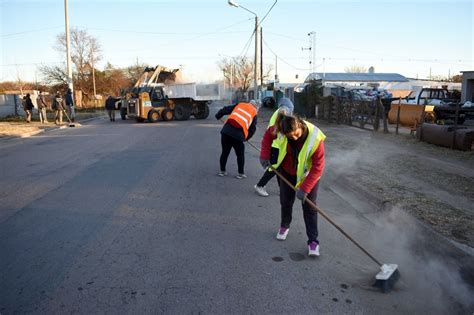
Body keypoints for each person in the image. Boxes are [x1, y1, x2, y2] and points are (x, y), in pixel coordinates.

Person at [260, 113, 326, 257]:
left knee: (310, 206)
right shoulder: (280, 129)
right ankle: (285, 226)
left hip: (307, 176)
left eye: (296, 134)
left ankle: (313, 242)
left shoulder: (315, 138)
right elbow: (267, 137)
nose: (294, 138)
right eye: (290, 137)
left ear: (300, 125)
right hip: (287, 172)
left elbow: (318, 167)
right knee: (286, 201)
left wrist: (305, 188)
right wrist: (264, 156)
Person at [254, 97, 294, 197]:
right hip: (276, 146)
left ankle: (282, 189)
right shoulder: (283, 114)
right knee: (274, 169)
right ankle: (260, 185)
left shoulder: (279, 112)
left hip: (277, 146)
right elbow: (275, 133)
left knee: (278, 169)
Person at [215, 99, 258, 179]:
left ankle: (222, 171)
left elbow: (226, 109)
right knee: (240, 154)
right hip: (238, 136)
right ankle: (240, 174)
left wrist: (218, 115)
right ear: (256, 106)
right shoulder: (254, 112)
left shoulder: (240, 104)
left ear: (249, 103)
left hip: (226, 131)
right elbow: (252, 129)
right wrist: (246, 138)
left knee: (225, 152)